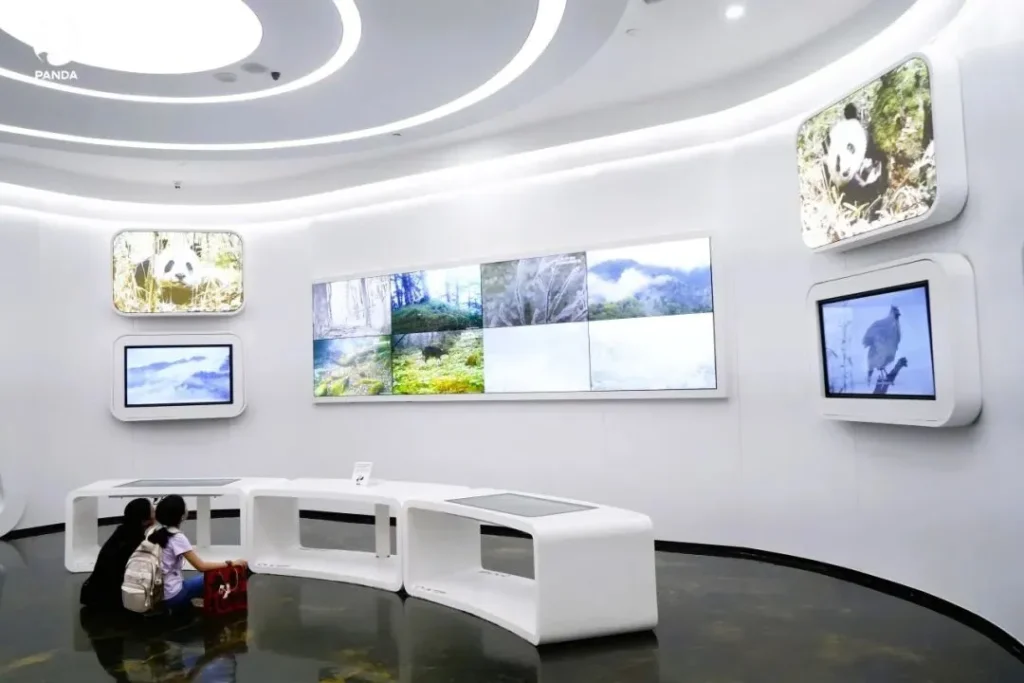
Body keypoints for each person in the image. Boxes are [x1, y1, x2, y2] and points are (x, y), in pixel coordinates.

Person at [149, 495, 246, 609]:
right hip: (171, 596)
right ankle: (219, 607)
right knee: (212, 577)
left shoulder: (153, 532)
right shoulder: (176, 537)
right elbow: (201, 567)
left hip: (153, 594)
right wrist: (231, 563)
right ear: (181, 516)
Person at [80, 497, 154, 610]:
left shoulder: (122, 532)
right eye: (152, 510)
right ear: (144, 520)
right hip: (109, 599)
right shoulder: (134, 544)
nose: (155, 511)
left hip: (93, 593)